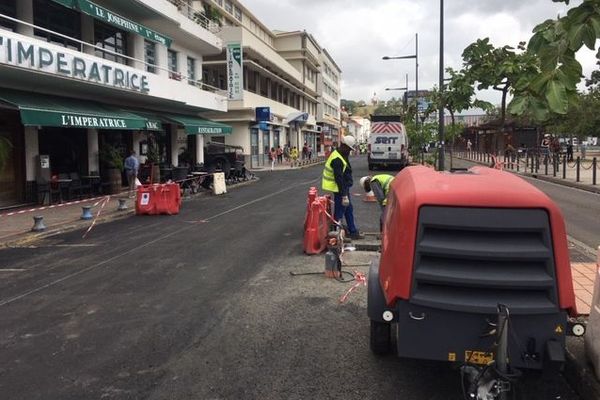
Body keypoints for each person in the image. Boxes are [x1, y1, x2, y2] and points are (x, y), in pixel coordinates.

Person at [322, 135, 363, 240]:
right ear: (344, 146)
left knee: (349, 209)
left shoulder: (342, 154)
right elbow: (338, 179)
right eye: (349, 149)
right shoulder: (337, 159)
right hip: (340, 189)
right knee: (339, 212)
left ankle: (352, 231)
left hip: (344, 188)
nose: (350, 151)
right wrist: (344, 195)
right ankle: (335, 235)